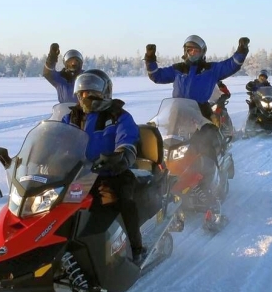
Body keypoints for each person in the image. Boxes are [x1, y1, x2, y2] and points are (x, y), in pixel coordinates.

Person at [65, 69, 146, 264]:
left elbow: (128, 138)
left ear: (105, 93)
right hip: (79, 175)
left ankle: (136, 248)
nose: (86, 97)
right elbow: (56, 140)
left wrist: (119, 155)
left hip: (111, 172)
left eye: (91, 92)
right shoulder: (71, 117)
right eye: (82, 92)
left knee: (121, 200)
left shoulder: (118, 116)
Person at [144, 35, 249, 120]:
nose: (193, 53)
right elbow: (156, 76)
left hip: (201, 110)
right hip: (178, 111)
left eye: (196, 50)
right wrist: (150, 59)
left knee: (209, 138)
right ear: (186, 51)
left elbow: (231, 65)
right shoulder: (178, 69)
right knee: (166, 138)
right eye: (190, 50)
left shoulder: (211, 69)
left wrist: (241, 50)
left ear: (202, 52)